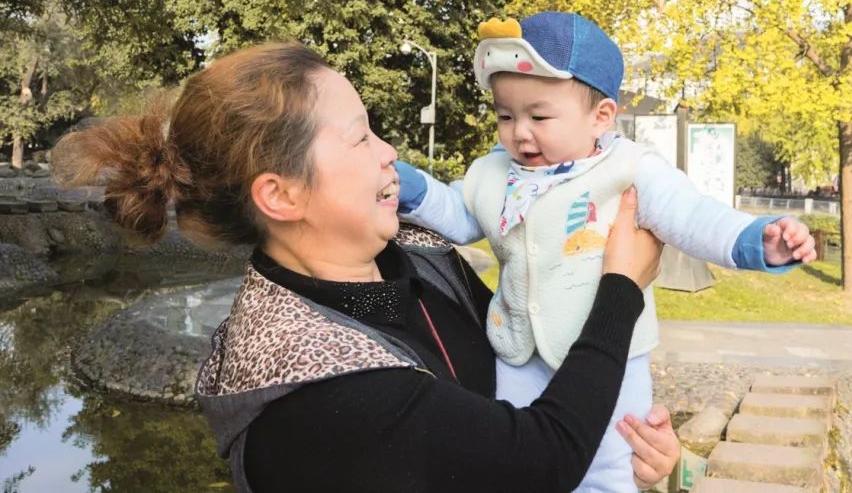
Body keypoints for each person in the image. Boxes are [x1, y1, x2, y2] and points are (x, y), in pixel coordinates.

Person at [51, 41, 679, 492]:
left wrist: (629, 445)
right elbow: (541, 460)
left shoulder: (416, 255)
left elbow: (539, 359)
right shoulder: (318, 389)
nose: (389, 152)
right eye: (359, 137)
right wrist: (620, 287)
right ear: (282, 195)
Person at [395, 12, 817, 492]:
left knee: (614, 463)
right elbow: (462, 214)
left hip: (612, 354)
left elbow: (692, 216)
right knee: (517, 463)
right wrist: (411, 189)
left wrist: (755, 241)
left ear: (601, 116)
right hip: (516, 351)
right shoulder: (494, 172)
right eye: (505, 116)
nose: (520, 133)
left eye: (539, 116)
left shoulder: (630, 169)